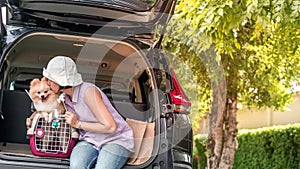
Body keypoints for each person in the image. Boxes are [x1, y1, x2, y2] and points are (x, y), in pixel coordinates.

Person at [42, 56, 134, 169]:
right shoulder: (64, 98)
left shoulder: (88, 92)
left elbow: (110, 127)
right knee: (76, 166)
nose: (47, 83)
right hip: (90, 140)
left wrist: (78, 124)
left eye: (49, 79)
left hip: (116, 140)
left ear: (60, 80)